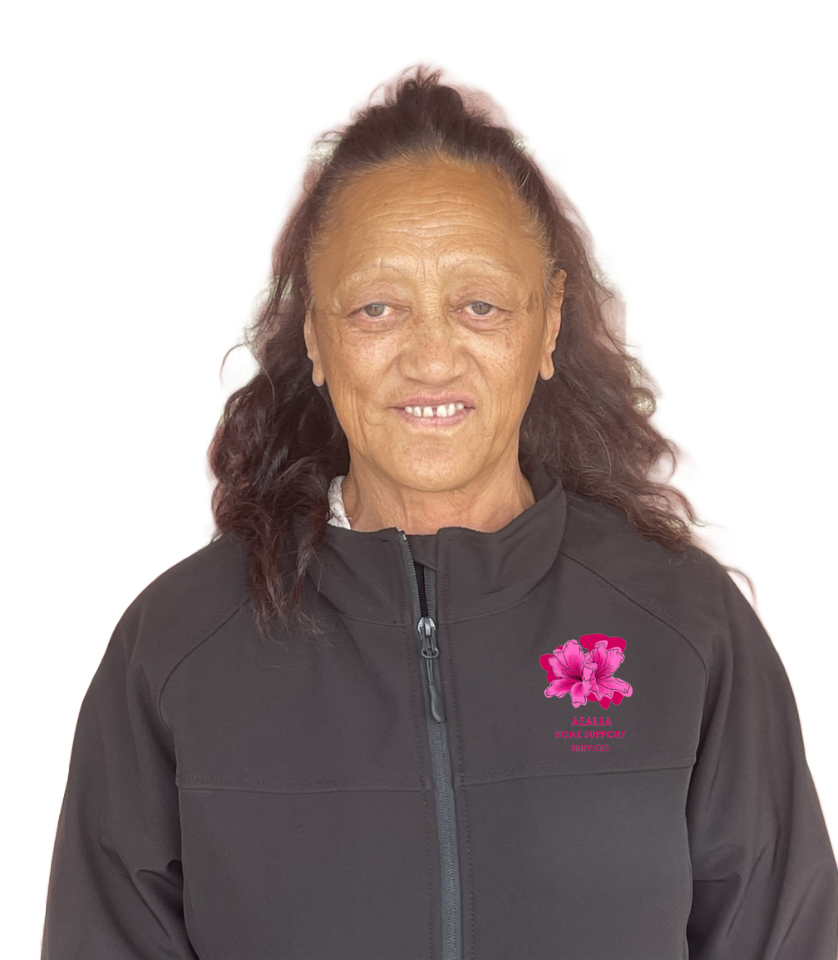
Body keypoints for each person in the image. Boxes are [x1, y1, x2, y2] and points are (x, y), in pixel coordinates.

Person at [40, 57, 837, 958]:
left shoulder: (689, 629)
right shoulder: (176, 647)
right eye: (377, 307)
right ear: (315, 333)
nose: (430, 358)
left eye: (479, 305)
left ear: (547, 323)